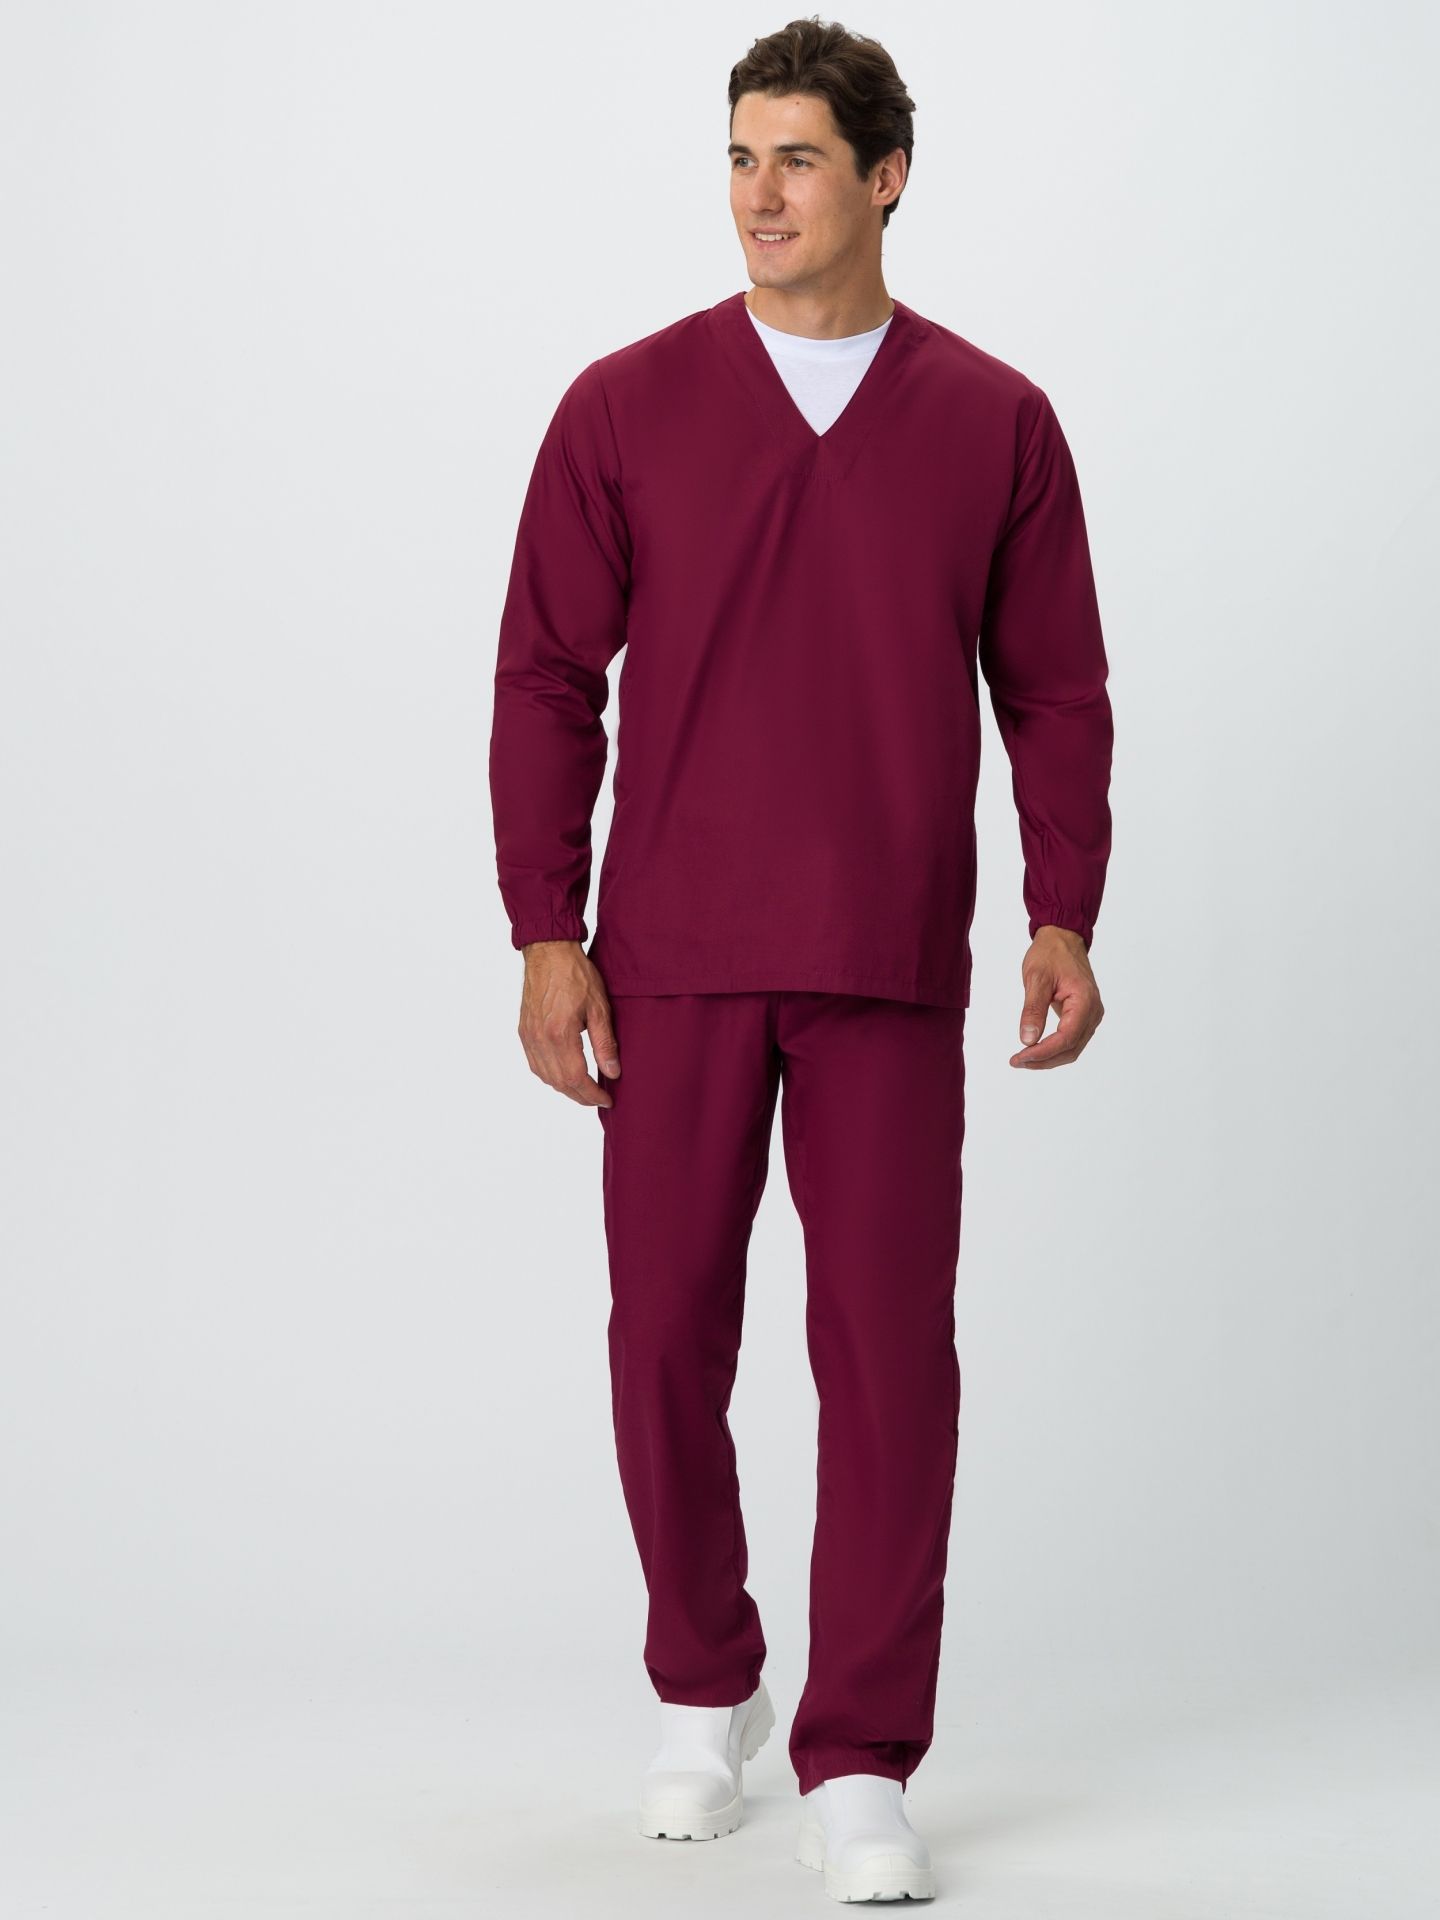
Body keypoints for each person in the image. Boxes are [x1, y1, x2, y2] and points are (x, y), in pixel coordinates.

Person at [488, 18, 1112, 1904]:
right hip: (674, 951)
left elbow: (1056, 688)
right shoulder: (625, 407)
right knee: (665, 1336)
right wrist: (546, 930)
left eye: (800, 161)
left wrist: (1063, 905)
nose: (760, 195)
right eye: (741, 159)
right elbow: (545, 677)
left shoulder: (995, 420)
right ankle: (708, 1685)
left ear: (886, 178)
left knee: (889, 1360)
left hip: (885, 955)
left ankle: (862, 1755)